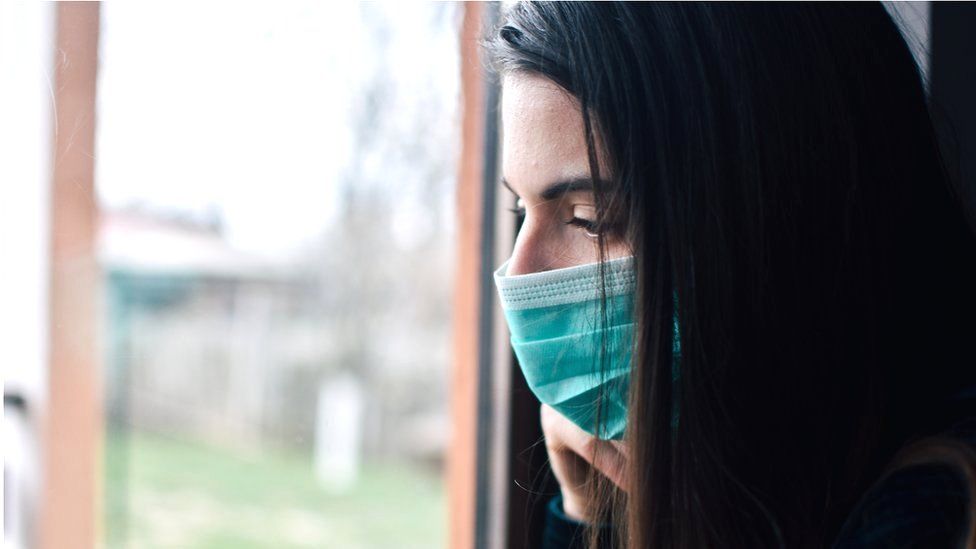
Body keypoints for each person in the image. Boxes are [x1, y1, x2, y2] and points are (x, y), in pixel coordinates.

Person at [485, 3, 976, 548]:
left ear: (781, 211)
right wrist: (589, 514)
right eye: (520, 212)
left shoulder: (932, 515)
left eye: (591, 219)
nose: (519, 274)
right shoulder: (763, 468)